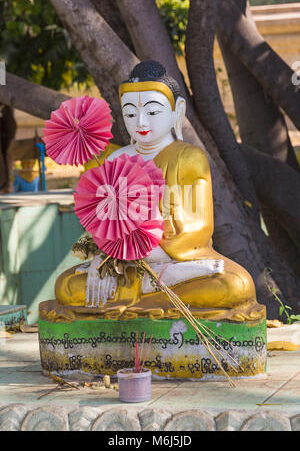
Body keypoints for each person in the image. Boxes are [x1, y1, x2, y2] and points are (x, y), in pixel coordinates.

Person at [54, 61, 265, 323]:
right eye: (130, 114)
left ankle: (139, 298)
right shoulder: (116, 159)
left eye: (153, 112)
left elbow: (199, 226)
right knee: (65, 285)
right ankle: (147, 297)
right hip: (121, 266)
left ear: (178, 111)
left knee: (235, 285)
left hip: (176, 261)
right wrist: (105, 256)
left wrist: (151, 245)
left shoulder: (188, 158)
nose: (141, 122)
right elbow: (100, 223)